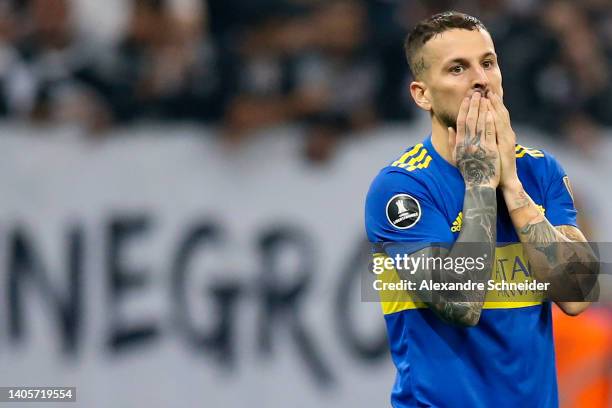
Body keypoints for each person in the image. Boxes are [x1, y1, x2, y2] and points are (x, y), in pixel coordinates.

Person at [364, 11, 599, 407]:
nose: (480, 79)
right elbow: (460, 302)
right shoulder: (402, 188)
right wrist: (480, 181)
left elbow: (578, 295)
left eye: (487, 63)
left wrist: (512, 185)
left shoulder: (539, 170)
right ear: (422, 94)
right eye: (458, 68)